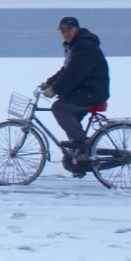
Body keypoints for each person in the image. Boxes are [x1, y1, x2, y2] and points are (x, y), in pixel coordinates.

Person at [41, 17, 110, 163]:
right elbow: (66, 70)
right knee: (70, 120)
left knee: (59, 108)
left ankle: (81, 145)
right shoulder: (75, 46)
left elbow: (74, 74)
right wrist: (49, 83)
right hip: (86, 91)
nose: (65, 33)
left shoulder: (84, 46)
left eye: (68, 30)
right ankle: (79, 158)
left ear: (76, 29)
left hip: (92, 92)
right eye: (62, 30)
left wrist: (55, 89)